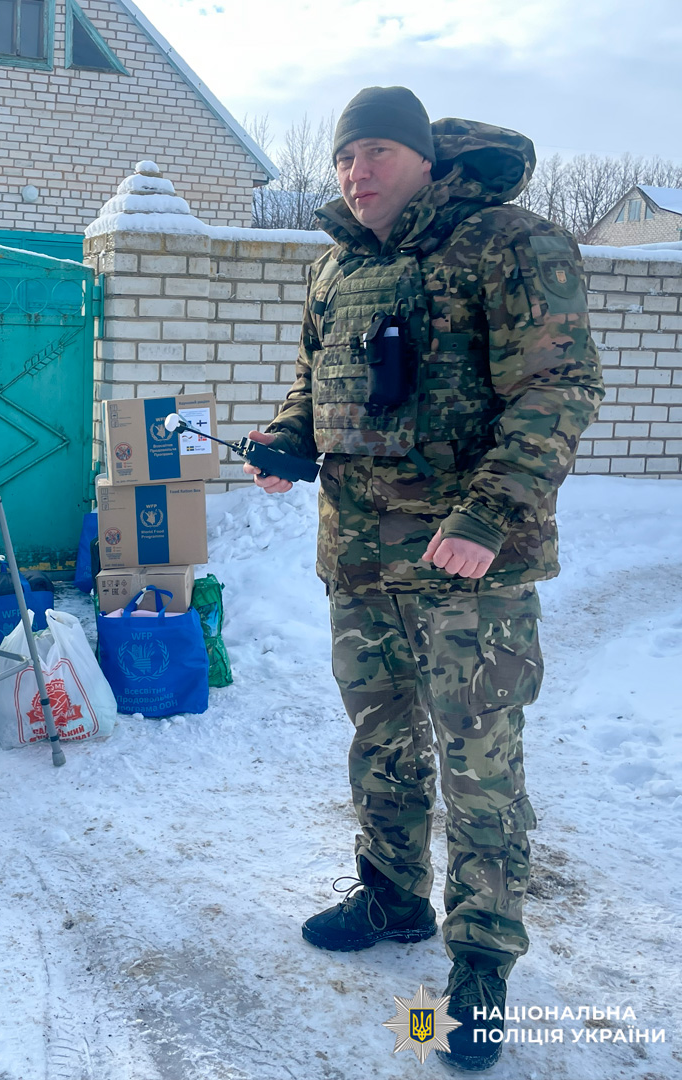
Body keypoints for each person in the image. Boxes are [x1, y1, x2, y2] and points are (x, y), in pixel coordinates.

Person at [246, 87, 603, 1071]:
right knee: (382, 741)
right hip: (360, 559)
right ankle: (392, 897)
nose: (356, 172)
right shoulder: (336, 265)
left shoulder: (509, 243)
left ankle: (481, 960)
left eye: (376, 151)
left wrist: (489, 515)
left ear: (425, 158)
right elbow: (315, 380)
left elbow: (559, 387)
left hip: (467, 564)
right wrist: (288, 438)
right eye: (344, 155)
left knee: (479, 765)